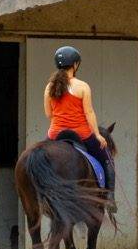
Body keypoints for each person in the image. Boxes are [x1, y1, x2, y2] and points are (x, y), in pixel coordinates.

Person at [44, 46, 115, 204]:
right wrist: (97, 135)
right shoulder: (82, 86)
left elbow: (49, 114)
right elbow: (89, 113)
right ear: (75, 65)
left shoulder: (49, 87)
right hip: (81, 134)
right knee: (106, 158)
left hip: (55, 134)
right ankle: (110, 196)